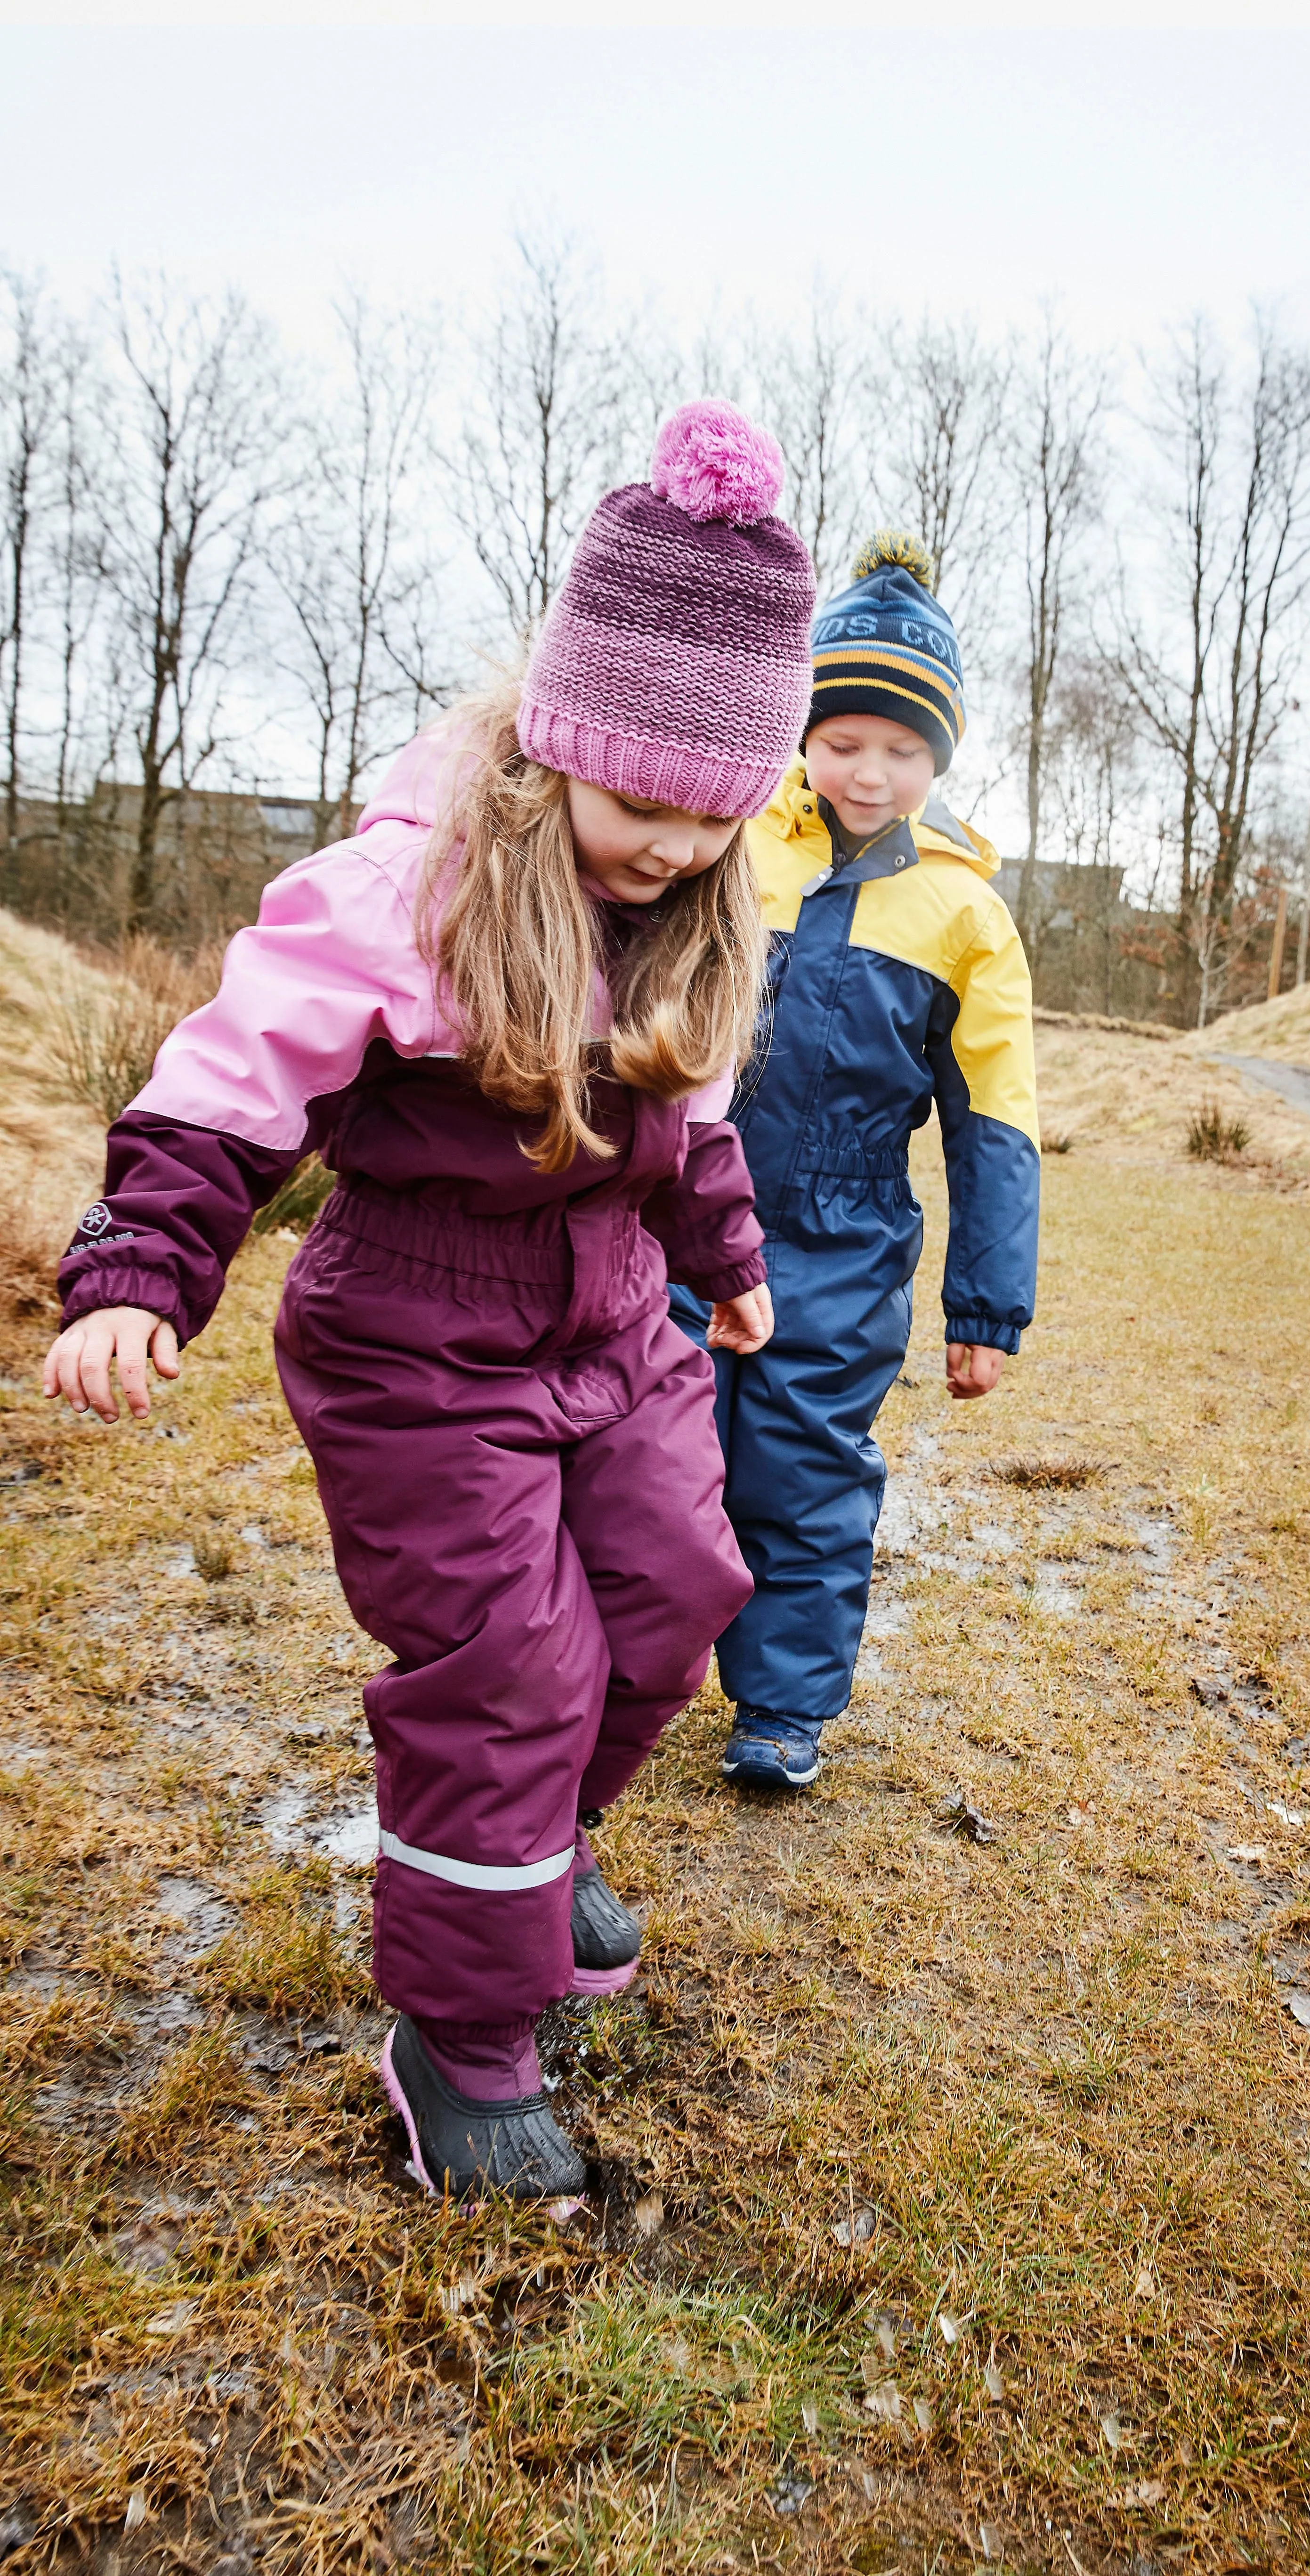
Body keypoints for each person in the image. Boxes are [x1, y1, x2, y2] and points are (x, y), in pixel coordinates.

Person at [41, 403, 817, 2201]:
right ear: (556, 750)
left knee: (679, 1597)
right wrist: (142, 1269)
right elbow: (227, 1081)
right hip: (420, 1332)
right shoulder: (410, 885)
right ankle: (461, 2031)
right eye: (643, 804)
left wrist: (735, 1263)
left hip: (618, 1322)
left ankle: (534, 1858)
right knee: (510, 1670)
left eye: (717, 818)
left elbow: (689, 1124)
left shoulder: (697, 908)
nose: (674, 847)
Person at [670, 532, 1040, 1793]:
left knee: (803, 1473)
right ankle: (624, 1663)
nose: (868, 771)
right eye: (841, 740)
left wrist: (986, 1306)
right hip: (679, 1218)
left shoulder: (964, 915)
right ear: (800, 732)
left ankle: (779, 1704)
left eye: (901, 748)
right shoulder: (726, 846)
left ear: (938, 757)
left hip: (841, 1241)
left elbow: (995, 1118)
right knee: (652, 1456)